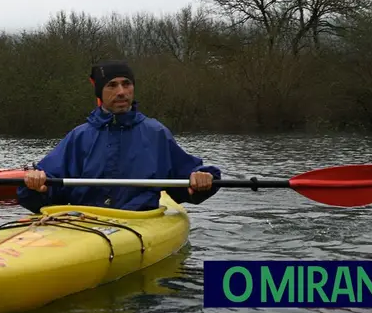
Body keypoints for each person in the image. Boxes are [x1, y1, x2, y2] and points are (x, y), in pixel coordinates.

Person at [17, 60, 222, 212]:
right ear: (100, 92)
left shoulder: (156, 133)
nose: (121, 91)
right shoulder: (79, 136)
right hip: (86, 219)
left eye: (127, 84)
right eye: (112, 85)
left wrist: (201, 177)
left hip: (139, 220)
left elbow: (185, 177)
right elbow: (49, 186)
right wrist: (38, 184)